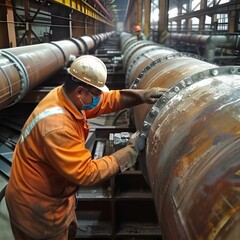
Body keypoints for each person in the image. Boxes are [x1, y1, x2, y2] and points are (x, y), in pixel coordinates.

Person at [5, 55, 166, 240]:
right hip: (36, 206)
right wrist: (129, 152)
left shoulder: (65, 96)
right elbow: (86, 173)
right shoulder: (57, 127)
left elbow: (107, 101)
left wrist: (141, 96)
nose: (99, 98)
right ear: (80, 91)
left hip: (53, 192)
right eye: (96, 94)